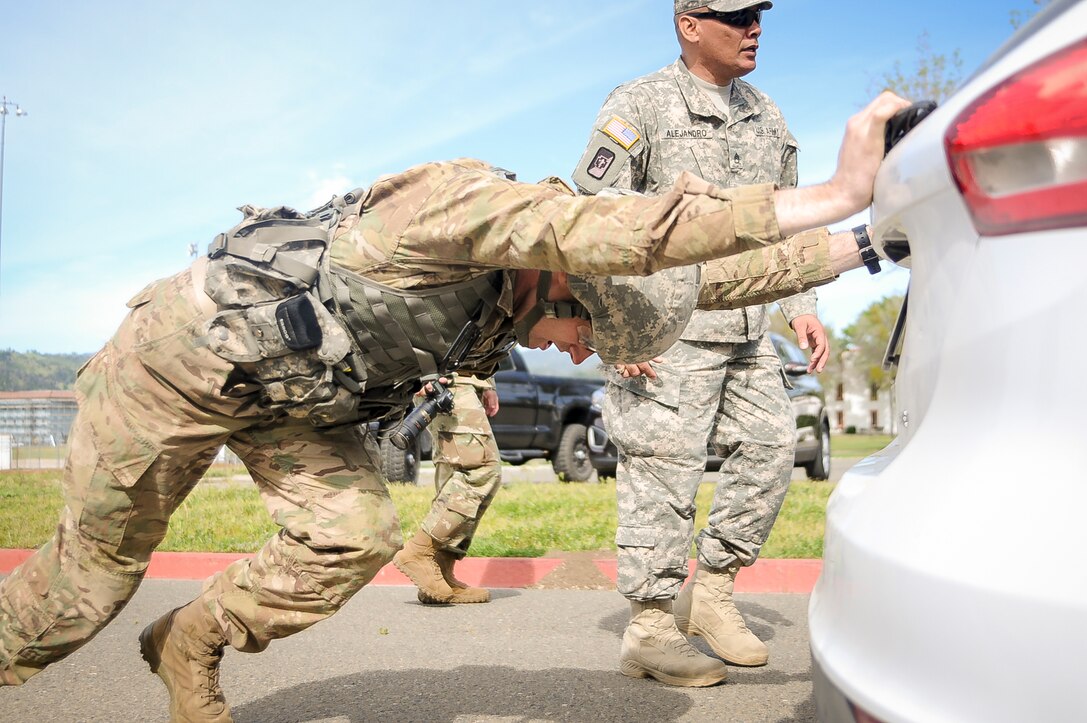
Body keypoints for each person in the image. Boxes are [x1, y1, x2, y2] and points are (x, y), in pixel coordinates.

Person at [0, 89, 908, 719]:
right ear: (566, 276)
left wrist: (869, 238)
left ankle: (190, 640)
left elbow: (703, 274)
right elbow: (614, 227)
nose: (583, 352)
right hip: (184, 362)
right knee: (88, 584)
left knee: (354, 533)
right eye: (583, 329)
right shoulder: (467, 211)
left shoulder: (562, 279)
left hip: (298, 403)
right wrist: (827, 189)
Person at [571, 0, 857, 687]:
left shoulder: (769, 115)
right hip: (665, 332)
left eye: (758, 13)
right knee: (662, 471)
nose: (754, 27)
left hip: (750, 328)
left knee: (771, 450)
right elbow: (591, 222)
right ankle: (648, 627)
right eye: (736, 16)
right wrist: (615, 327)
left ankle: (713, 593)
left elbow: (785, 223)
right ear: (689, 24)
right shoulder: (639, 104)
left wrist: (802, 305)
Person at [393, 372, 502, 604]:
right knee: (479, 469)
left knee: (455, 474)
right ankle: (420, 551)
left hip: (462, 377)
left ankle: (439, 571)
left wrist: (486, 383)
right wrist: (425, 374)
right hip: (446, 377)